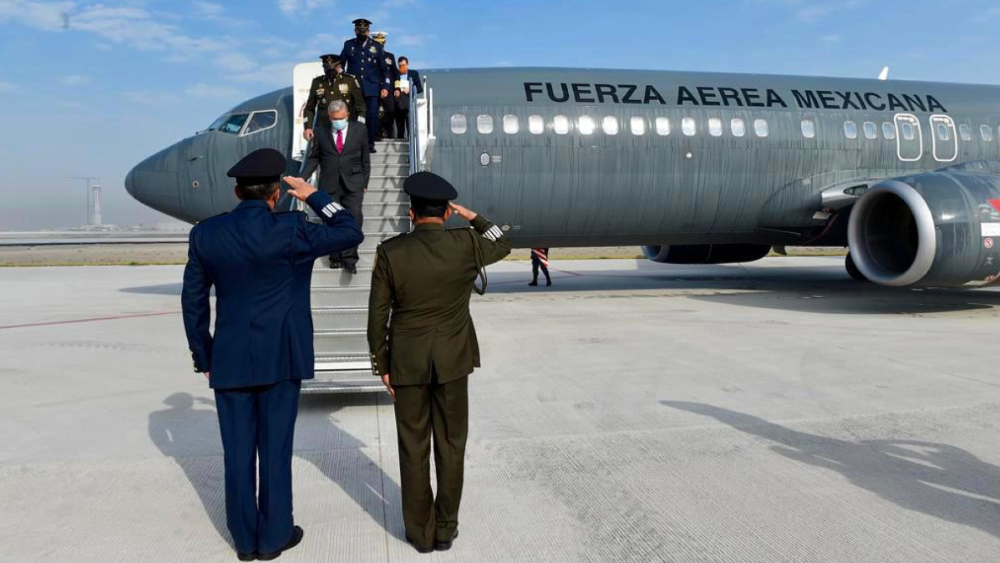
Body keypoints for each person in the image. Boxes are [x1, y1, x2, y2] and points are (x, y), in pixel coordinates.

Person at [181, 149, 363, 561]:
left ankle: (244, 541)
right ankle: (274, 536)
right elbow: (349, 230)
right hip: (282, 358)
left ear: (236, 190)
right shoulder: (292, 229)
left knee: (237, 454)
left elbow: (193, 302)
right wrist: (313, 194)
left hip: (228, 361)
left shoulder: (206, 235)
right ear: (276, 194)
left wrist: (204, 356)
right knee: (276, 450)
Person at [367, 171, 512, 554]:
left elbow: (376, 316)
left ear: (411, 213)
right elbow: (503, 243)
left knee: (413, 448)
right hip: (453, 362)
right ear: (446, 213)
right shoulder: (465, 245)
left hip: (407, 363)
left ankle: (420, 533)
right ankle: (446, 527)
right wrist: (474, 218)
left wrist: (381, 363)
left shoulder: (391, 251)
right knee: (451, 446)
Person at [299, 100, 371, 273]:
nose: (338, 121)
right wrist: (302, 178)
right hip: (329, 182)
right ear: (329, 118)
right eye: (334, 118)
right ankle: (335, 255)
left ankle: (350, 258)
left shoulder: (359, 130)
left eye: (341, 118)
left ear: (347, 115)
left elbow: (365, 160)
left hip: (353, 182)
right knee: (330, 219)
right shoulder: (321, 132)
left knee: (354, 219)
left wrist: (364, 183)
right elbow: (314, 158)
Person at [339, 18, 390, 153]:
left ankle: (369, 144)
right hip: (353, 88)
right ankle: (354, 144)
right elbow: (340, 65)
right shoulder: (348, 45)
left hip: (372, 88)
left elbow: (384, 70)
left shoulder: (376, 47)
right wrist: (343, 78)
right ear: (355, 31)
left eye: (364, 31)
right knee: (354, 116)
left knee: (372, 115)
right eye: (359, 31)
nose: (361, 33)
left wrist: (385, 86)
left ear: (368, 31)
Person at [302, 54, 365, 142]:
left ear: (339, 66)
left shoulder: (349, 81)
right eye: (327, 68)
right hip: (323, 129)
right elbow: (309, 108)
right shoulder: (317, 82)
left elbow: (361, 106)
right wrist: (308, 127)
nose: (330, 71)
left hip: (346, 128)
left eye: (333, 68)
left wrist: (359, 125)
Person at [371, 31, 400, 140]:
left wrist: (397, 88)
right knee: (374, 111)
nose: (380, 45)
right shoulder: (369, 56)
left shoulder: (389, 56)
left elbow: (396, 73)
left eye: (382, 43)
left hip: (388, 89)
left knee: (391, 110)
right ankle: (377, 133)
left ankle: (388, 131)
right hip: (374, 88)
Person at [394, 56, 423, 140]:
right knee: (400, 128)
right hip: (398, 104)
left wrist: (410, 89)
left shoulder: (414, 74)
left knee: (410, 126)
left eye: (403, 65)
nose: (402, 67)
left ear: (407, 64)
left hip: (409, 103)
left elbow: (419, 88)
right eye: (400, 66)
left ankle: (410, 146)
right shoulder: (396, 74)